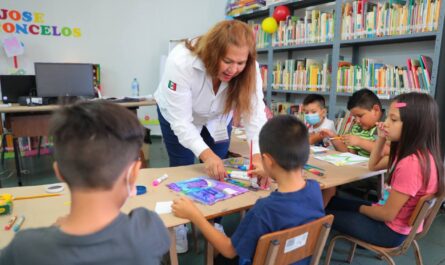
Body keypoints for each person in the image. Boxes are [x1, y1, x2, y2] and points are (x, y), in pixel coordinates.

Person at [0, 101, 170, 264]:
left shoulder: (25, 248)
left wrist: (53, 229)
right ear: (133, 174)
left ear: (59, 172)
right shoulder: (147, 229)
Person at [172, 115, 325, 265]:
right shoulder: (315, 190)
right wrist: (273, 173)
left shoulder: (263, 209)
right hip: (297, 259)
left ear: (268, 160)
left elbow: (229, 250)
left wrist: (195, 216)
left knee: (217, 254)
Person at [326, 92, 444, 247]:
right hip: (395, 224)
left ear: (414, 125)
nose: (385, 123)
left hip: (388, 232)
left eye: (393, 119)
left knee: (322, 215)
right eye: (387, 117)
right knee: (332, 201)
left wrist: (360, 208)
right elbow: (373, 166)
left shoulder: (411, 164)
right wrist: (381, 137)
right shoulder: (418, 154)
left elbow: (387, 215)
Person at [154, 20, 267, 181]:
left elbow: (254, 115)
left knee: (219, 167)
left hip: (218, 118)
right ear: (213, 52)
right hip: (179, 117)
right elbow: (182, 122)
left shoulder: (250, 68)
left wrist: (256, 156)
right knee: (183, 167)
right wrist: (207, 156)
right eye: (227, 61)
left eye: (240, 63)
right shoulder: (181, 61)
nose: (234, 70)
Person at [321, 88, 388, 157]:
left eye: (360, 116)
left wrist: (359, 142)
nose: (357, 120)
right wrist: (333, 137)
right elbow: (350, 154)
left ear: (376, 110)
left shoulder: (388, 125)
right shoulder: (357, 127)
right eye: (354, 117)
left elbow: (388, 151)